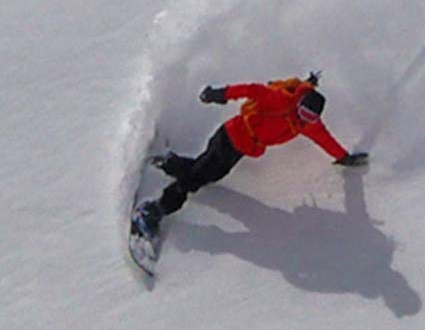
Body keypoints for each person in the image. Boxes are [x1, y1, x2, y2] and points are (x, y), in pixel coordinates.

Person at [136, 74, 368, 239]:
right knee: (196, 178)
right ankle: (155, 210)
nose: (305, 119)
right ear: (298, 103)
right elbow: (252, 90)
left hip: (243, 149)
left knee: (210, 173)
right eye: (303, 112)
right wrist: (220, 94)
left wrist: (343, 157)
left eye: (310, 117)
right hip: (230, 135)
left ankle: (169, 162)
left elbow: (324, 139)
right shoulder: (280, 100)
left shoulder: (307, 125)